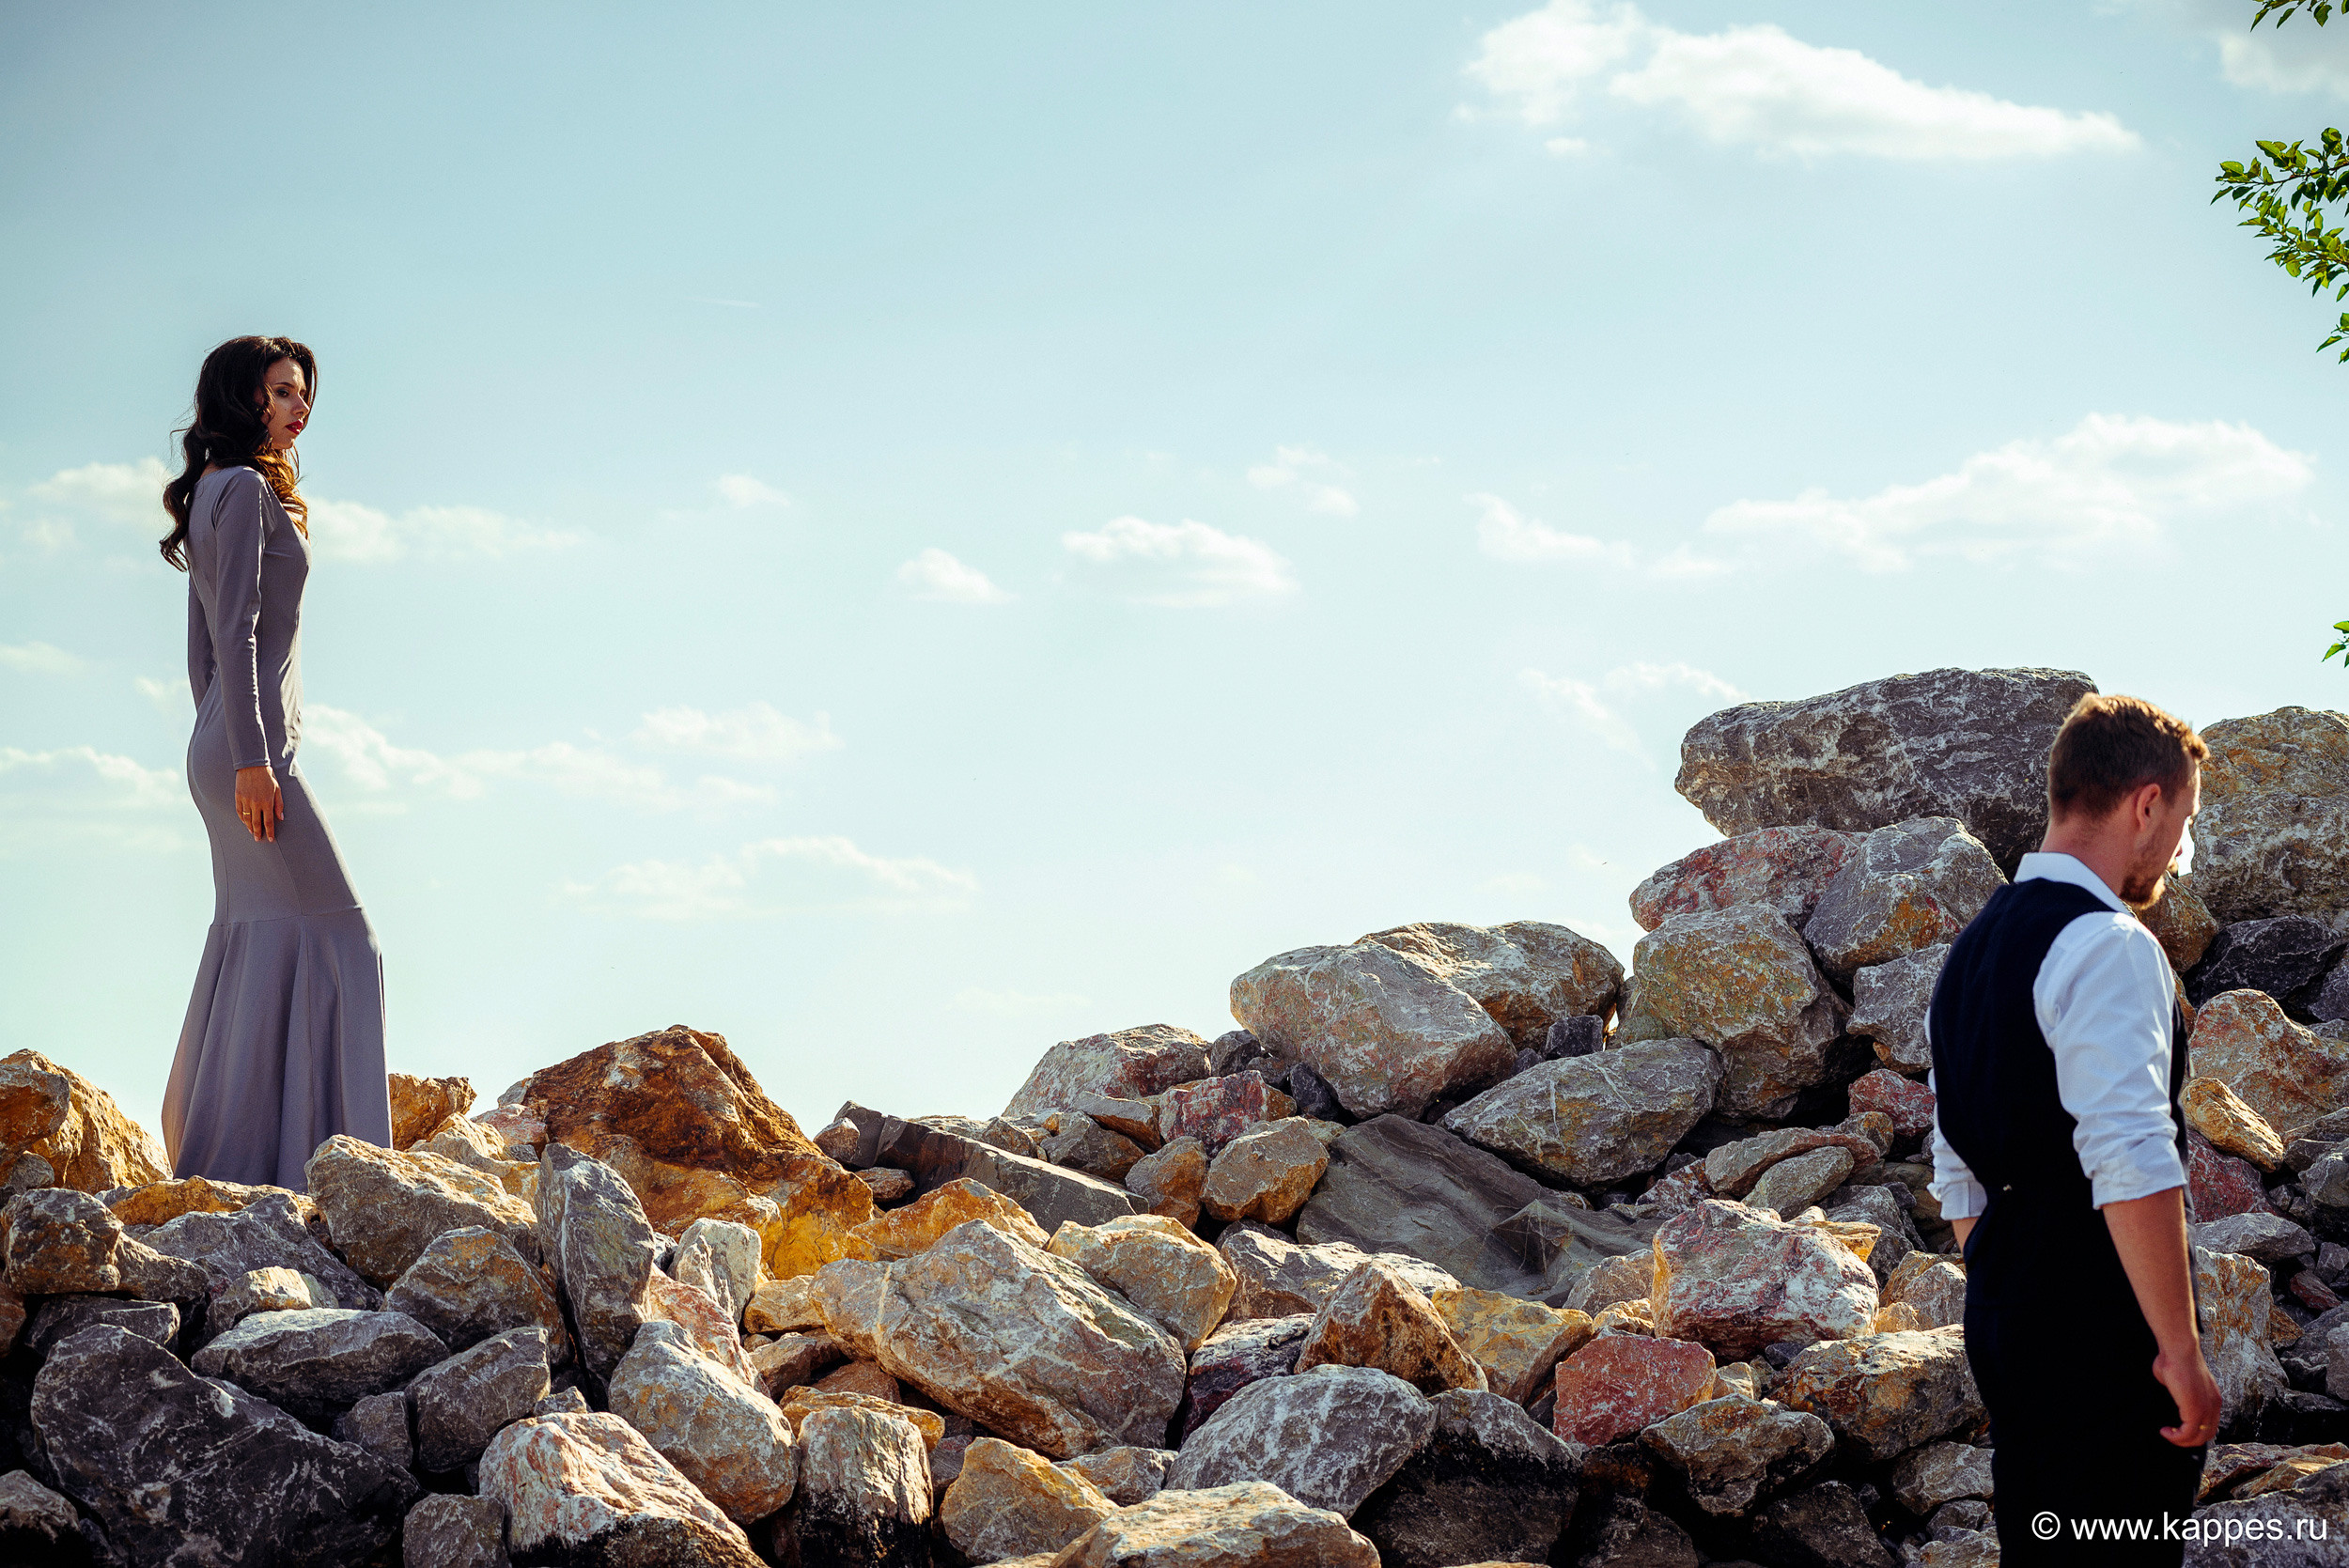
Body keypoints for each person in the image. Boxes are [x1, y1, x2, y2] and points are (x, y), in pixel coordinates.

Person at [1925, 692, 2219, 1564]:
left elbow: (1956, 1165)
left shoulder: (1969, 952)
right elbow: (2130, 1155)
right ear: (2145, 803)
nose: (2180, 849)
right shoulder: (2110, 944)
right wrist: (2179, 1350)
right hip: (2102, 1324)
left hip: (2006, 1313)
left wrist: (2007, 1284)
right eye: (2185, 820)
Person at [157, 335, 391, 1188]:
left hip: (220, 744)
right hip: (251, 755)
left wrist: (217, 745)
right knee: (347, 937)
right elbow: (236, 633)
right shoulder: (248, 490)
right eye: (284, 392)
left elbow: (199, 652)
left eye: (306, 395)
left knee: (258, 938)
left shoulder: (214, 491)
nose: (301, 408)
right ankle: (348, 1168)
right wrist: (252, 760)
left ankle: (241, 1158)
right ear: (242, 397)